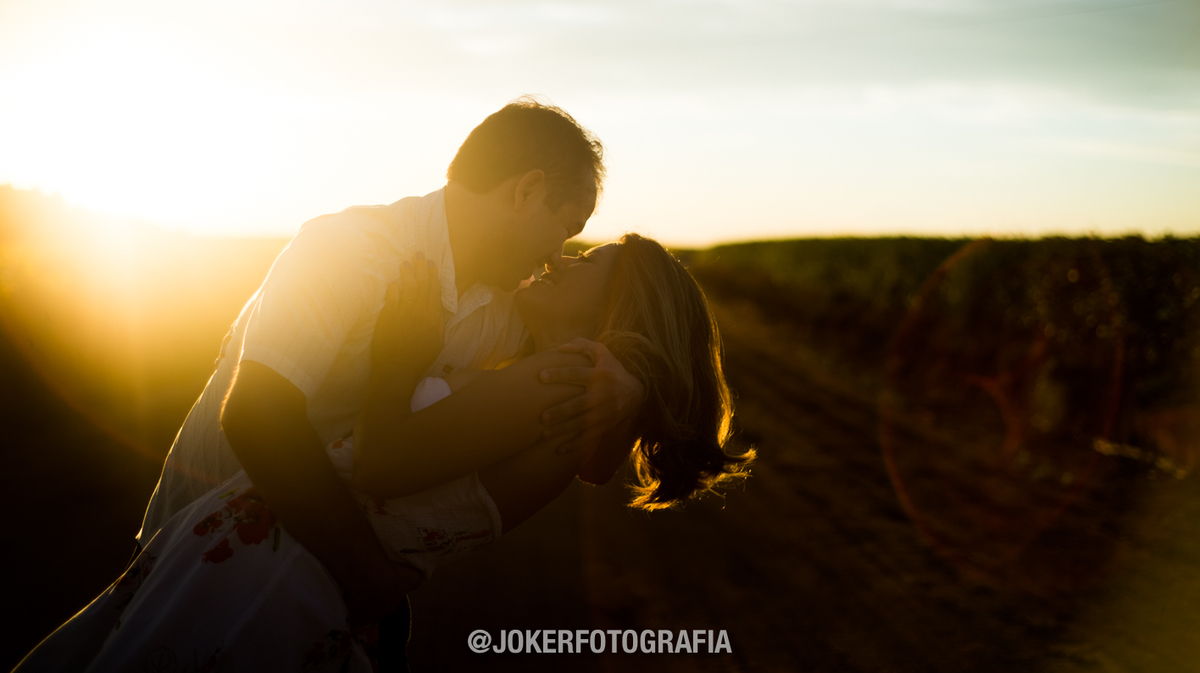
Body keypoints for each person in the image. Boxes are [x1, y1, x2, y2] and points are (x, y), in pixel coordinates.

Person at [16, 234, 755, 672]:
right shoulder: (576, 391)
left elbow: (380, 465)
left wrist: (400, 354)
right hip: (284, 562)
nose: (562, 258)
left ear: (617, 305)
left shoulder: (561, 381)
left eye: (590, 260)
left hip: (276, 573)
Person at [127, 97, 645, 665]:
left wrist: (625, 386)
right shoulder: (349, 250)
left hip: (321, 578)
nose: (556, 256)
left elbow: (590, 461)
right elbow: (257, 413)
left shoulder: (507, 309)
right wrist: (365, 575)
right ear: (525, 191)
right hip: (201, 558)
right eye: (564, 228)